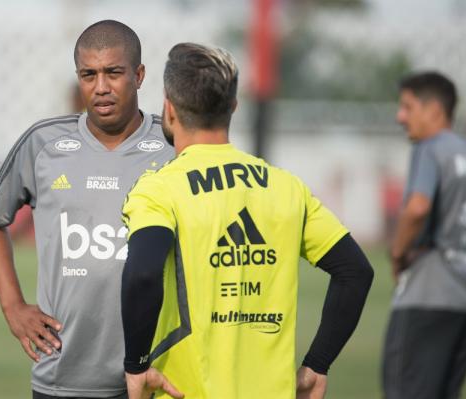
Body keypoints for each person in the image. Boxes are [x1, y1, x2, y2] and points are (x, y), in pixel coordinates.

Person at [120, 43, 374, 399]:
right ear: (233, 108)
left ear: (169, 109)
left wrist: (136, 364)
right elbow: (356, 271)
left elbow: (143, 273)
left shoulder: (158, 190)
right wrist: (317, 365)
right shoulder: (287, 187)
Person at [0, 20, 174, 399]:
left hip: (157, 378)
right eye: (89, 74)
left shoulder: (173, 146)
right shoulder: (43, 143)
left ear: (139, 75)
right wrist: (12, 305)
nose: (100, 87)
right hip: (64, 378)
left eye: (114, 73)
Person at [383, 71, 466, 399]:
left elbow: (417, 209)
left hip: (426, 295)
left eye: (407, 107)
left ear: (434, 110)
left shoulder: (429, 149)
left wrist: (398, 254)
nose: (400, 117)